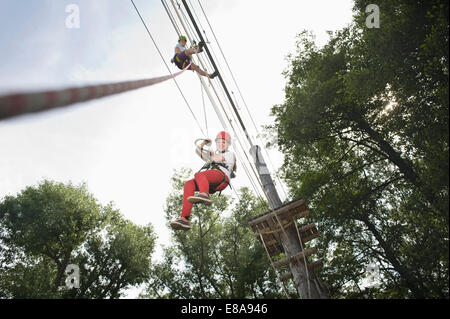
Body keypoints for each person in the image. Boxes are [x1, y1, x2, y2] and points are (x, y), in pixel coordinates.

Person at [170, 131, 236, 230]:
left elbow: (217, 159)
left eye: (223, 142)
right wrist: (203, 143)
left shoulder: (229, 154)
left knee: (199, 175)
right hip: (210, 182)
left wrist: (212, 154)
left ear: (228, 144)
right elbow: (198, 152)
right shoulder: (213, 155)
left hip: (221, 176)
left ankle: (204, 194)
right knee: (189, 184)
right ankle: (184, 219)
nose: (220, 144)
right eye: (218, 142)